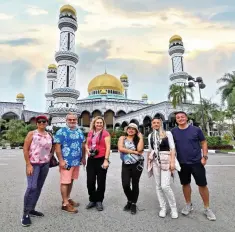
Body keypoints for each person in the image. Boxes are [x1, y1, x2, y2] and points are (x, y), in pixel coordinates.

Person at [171, 111, 216, 221]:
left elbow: (204, 142)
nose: (180, 118)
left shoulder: (196, 130)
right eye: (178, 117)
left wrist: (204, 157)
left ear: (186, 118)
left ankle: (207, 208)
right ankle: (188, 204)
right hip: (182, 163)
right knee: (185, 184)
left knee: (202, 185)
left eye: (182, 117)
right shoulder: (173, 132)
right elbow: (171, 147)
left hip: (197, 162)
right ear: (176, 120)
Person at [21, 115, 54, 227]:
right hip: (33, 164)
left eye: (44, 121)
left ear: (47, 123)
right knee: (31, 187)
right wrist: (28, 164)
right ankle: (25, 214)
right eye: (39, 121)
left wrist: (50, 157)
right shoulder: (32, 134)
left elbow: (52, 147)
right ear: (36, 123)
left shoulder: (49, 135)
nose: (42, 123)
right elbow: (25, 149)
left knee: (39, 187)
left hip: (45, 164)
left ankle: (32, 209)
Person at [147, 117, 179, 219]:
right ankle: (163, 208)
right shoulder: (150, 135)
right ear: (152, 125)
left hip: (166, 161)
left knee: (165, 186)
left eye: (158, 122)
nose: (156, 124)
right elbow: (150, 149)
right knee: (158, 186)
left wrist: (173, 162)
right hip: (155, 162)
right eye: (154, 123)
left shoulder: (167, 133)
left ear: (160, 124)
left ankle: (173, 208)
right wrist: (149, 163)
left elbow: (172, 148)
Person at [54, 112, 86, 214]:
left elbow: (83, 145)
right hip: (66, 162)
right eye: (70, 120)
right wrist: (61, 160)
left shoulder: (79, 131)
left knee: (71, 180)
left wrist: (83, 157)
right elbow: (57, 147)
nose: (72, 121)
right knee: (65, 181)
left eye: (74, 120)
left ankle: (67, 198)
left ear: (77, 120)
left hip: (76, 161)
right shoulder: (61, 132)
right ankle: (65, 204)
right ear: (66, 120)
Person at [85, 116, 111, 211]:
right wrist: (88, 150)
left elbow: (108, 147)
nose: (99, 124)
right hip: (91, 159)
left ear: (103, 124)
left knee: (101, 181)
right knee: (90, 181)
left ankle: (99, 200)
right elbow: (87, 144)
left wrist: (106, 160)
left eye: (101, 123)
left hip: (101, 159)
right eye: (97, 123)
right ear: (94, 123)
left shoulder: (105, 133)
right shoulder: (91, 132)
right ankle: (92, 199)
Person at [118, 123, 144, 215]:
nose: (131, 130)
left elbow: (140, 149)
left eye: (133, 129)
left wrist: (141, 138)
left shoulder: (138, 139)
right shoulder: (122, 138)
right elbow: (121, 148)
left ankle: (133, 203)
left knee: (135, 184)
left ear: (136, 131)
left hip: (137, 164)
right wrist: (134, 152)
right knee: (125, 184)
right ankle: (130, 200)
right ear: (127, 130)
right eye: (129, 128)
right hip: (126, 164)